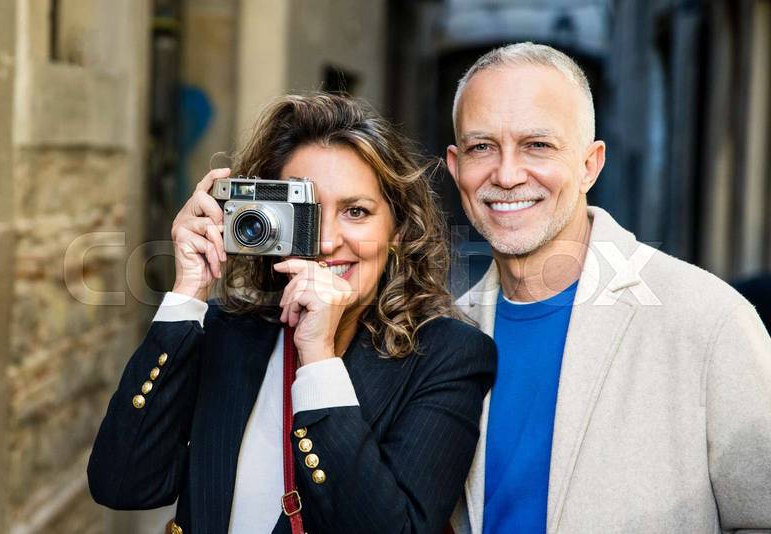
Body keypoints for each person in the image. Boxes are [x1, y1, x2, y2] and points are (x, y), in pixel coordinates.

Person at [88, 93, 496, 534]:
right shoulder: (228, 332)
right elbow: (122, 484)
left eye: (356, 212)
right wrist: (188, 293)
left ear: (397, 230)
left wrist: (318, 358)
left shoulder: (448, 356)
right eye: (305, 212)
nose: (325, 241)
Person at [445, 42, 771, 533]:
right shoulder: (446, 332)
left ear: (589, 164)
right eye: (481, 147)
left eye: (537, 145)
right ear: (455, 167)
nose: (507, 175)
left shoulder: (708, 322)